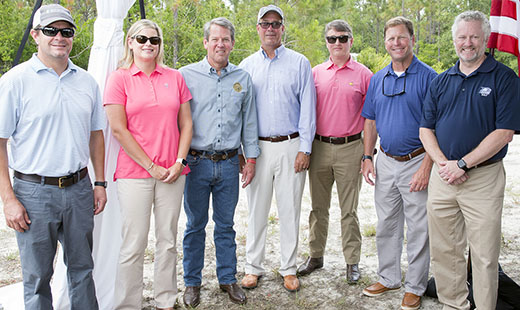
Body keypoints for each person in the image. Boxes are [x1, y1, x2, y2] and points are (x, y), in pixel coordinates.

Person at [0, 4, 107, 309]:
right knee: (36, 279)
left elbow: (96, 133)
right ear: (36, 35)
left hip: (79, 190)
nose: (59, 37)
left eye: (66, 31)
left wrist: (100, 182)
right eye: (51, 30)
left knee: (83, 271)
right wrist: (8, 199)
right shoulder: (15, 82)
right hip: (33, 193)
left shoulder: (87, 82)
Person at [419, 10, 520, 310]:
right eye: (462, 37)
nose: (468, 43)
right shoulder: (441, 81)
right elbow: (426, 130)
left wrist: (462, 163)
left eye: (474, 36)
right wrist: (443, 164)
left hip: (482, 180)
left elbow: (504, 132)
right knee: (445, 250)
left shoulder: (504, 78)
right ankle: (454, 304)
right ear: (454, 40)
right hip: (443, 178)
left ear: (485, 39)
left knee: (485, 255)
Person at [104, 19, 192, 310]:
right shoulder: (119, 78)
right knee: (134, 244)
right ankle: (128, 304)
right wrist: (150, 166)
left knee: (167, 240)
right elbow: (118, 129)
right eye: (142, 39)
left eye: (154, 40)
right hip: (134, 174)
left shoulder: (175, 77)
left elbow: (187, 124)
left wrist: (179, 161)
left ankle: (165, 299)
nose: (148, 45)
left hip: (173, 172)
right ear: (130, 41)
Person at [179, 17, 259, 308]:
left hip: (228, 163)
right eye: (215, 39)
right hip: (196, 162)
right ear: (205, 42)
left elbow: (249, 122)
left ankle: (228, 279)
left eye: (226, 39)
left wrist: (250, 159)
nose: (220, 44)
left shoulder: (243, 78)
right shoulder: (186, 75)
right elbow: (176, 120)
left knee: (226, 225)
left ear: (232, 44)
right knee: (194, 225)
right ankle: (192, 283)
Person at [360, 16, 437, 310]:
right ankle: (389, 277)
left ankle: (415, 286)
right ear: (385, 42)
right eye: (391, 38)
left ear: (412, 39)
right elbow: (370, 120)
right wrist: (368, 157)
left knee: (418, 227)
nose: (396, 43)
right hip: (386, 163)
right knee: (387, 225)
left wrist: (426, 166)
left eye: (401, 37)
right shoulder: (378, 79)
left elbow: (437, 125)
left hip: (416, 161)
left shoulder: (430, 78)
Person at [239, 4, 316, 292]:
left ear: (283, 28)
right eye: (265, 23)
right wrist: (245, 152)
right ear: (257, 28)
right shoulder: (246, 66)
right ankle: (252, 268)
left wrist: (304, 149)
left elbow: (308, 109)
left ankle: (289, 268)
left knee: (290, 209)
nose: (270, 28)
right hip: (257, 148)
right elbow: (243, 113)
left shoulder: (299, 63)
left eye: (276, 23)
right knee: (256, 210)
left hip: (291, 145)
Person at [297, 19, 372, 283]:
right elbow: (305, 113)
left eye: (343, 38)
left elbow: (371, 119)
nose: (337, 43)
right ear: (326, 42)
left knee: (348, 210)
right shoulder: (315, 73)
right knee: (318, 208)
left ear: (351, 40)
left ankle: (352, 261)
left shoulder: (364, 74)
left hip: (351, 147)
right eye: (332, 39)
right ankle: (315, 256)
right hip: (319, 147)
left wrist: (368, 154)